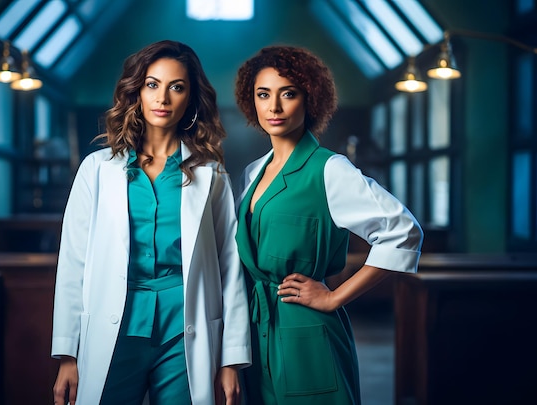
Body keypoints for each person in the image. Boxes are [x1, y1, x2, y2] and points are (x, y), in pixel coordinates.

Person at [51, 40, 251, 405]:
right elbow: (73, 264)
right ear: (137, 91)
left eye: (177, 87)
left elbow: (230, 265)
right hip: (115, 324)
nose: (163, 98)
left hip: (185, 326)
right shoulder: (96, 170)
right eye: (152, 84)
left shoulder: (211, 174)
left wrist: (231, 360)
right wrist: (68, 354)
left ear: (190, 98)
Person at [233, 45, 424, 404]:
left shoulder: (330, 169)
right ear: (251, 101)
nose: (274, 107)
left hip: (306, 330)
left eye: (288, 94)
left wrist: (335, 297)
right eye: (263, 94)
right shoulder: (253, 172)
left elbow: (403, 232)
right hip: (257, 328)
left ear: (310, 99)